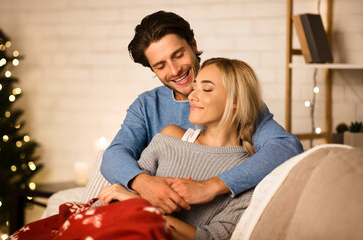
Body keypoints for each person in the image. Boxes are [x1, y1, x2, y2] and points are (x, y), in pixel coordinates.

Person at [100, 11, 303, 214]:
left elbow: (286, 147)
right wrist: (143, 183)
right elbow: (114, 155)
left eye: (178, 55)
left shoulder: (232, 100)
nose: (174, 70)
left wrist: (211, 186)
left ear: (193, 45)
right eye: (160, 66)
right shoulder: (146, 105)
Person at [99, 57, 263, 239]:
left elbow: (211, 238)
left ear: (236, 101)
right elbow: (115, 197)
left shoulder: (249, 173)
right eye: (195, 87)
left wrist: (138, 203)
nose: (192, 95)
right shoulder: (171, 136)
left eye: (206, 89)